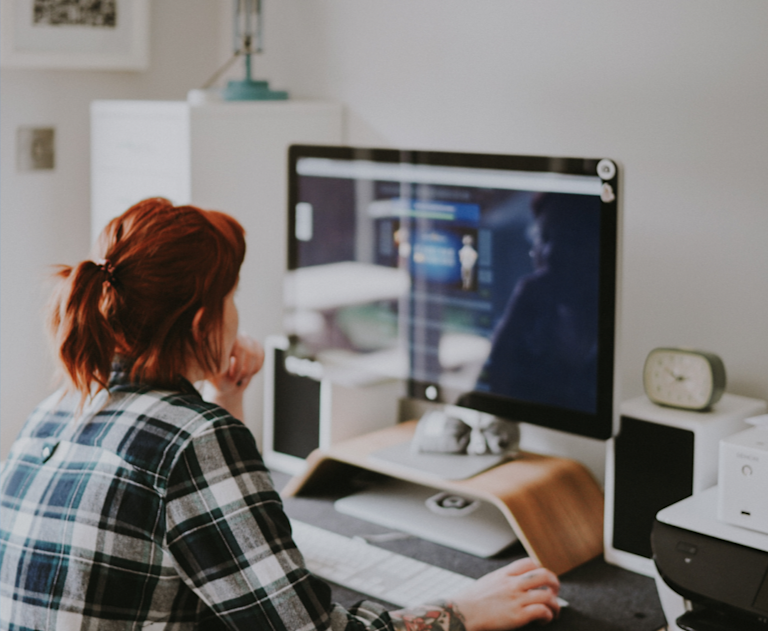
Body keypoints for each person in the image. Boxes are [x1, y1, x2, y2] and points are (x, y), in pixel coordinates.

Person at [0, 198, 561, 630]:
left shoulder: (58, 408)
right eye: (232, 296)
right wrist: (462, 611)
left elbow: (213, 539)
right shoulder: (193, 441)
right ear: (202, 325)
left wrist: (226, 395)